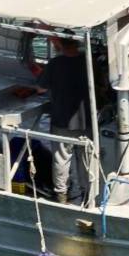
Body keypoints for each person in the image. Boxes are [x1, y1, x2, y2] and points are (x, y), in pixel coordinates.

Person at [35, 38, 90, 204]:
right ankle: (86, 195)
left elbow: (40, 88)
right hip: (85, 120)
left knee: (61, 159)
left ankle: (62, 195)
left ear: (59, 45)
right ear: (76, 44)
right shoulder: (87, 63)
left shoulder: (55, 63)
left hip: (61, 119)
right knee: (85, 159)